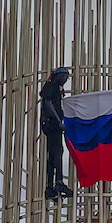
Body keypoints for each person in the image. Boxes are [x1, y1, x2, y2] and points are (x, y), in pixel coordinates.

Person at [40, 67, 74, 200]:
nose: (66, 79)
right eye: (65, 76)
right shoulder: (51, 86)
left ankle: (50, 187)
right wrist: (58, 121)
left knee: (53, 155)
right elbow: (47, 103)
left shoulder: (55, 88)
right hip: (51, 124)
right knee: (57, 152)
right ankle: (58, 182)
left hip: (51, 124)